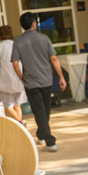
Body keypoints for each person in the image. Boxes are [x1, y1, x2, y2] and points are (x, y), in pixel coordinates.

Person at [15, 13, 67, 152]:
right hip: (46, 80)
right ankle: (50, 142)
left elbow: (15, 63)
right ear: (33, 24)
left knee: (42, 111)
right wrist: (61, 76)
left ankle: (41, 134)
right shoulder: (44, 39)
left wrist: (22, 77)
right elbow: (54, 59)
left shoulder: (18, 42)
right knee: (43, 110)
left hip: (31, 82)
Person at [0, 25, 26, 123]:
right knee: (17, 105)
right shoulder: (17, 44)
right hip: (20, 79)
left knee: (7, 106)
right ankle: (20, 125)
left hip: (6, 82)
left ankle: (20, 123)